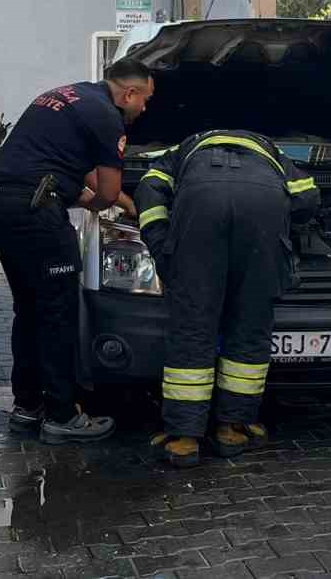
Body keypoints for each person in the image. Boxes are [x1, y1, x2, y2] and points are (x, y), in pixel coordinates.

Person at [0, 58, 155, 444]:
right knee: (58, 311)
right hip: (35, 212)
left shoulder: (68, 95)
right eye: (145, 100)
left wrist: (118, 201)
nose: (144, 110)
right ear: (130, 92)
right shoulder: (108, 117)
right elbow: (104, 191)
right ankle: (62, 414)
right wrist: (110, 205)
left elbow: (66, 170)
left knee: (29, 308)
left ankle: (27, 407)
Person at [134, 129, 320, 468]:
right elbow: (307, 197)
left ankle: (184, 438)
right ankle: (232, 428)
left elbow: (149, 190)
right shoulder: (272, 149)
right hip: (262, 211)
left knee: (193, 327)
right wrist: (283, 224)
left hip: (199, 210)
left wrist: (164, 249)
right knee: (250, 325)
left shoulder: (183, 147)